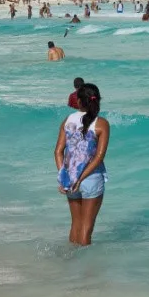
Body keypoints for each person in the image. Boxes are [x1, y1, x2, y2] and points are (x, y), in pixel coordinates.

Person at [54, 83, 109, 246]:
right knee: (87, 228)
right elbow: (98, 158)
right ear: (97, 100)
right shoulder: (101, 124)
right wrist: (81, 178)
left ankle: (71, 263)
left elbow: (58, 152)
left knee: (76, 225)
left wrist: (65, 178)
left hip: (70, 179)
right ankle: (84, 268)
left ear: (78, 101)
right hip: (90, 178)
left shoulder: (67, 120)